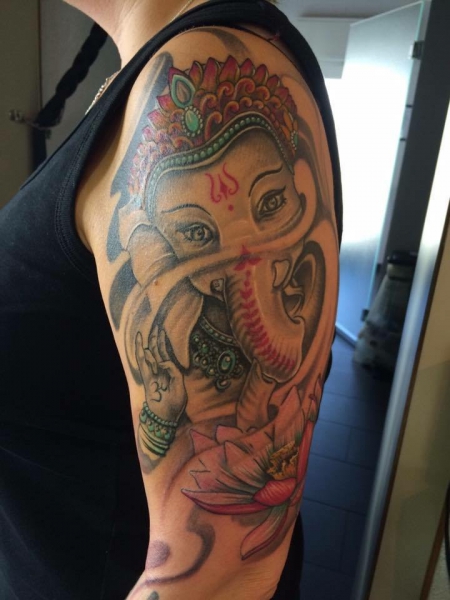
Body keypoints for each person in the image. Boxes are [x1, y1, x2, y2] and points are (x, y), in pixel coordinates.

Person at [0, 1, 342, 598]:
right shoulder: (148, 73)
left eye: (269, 204)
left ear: (300, 194)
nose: (242, 254)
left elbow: (223, 576)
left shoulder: (191, 62)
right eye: (196, 233)